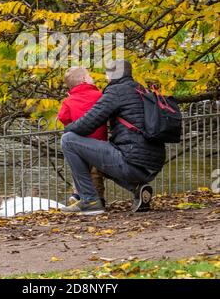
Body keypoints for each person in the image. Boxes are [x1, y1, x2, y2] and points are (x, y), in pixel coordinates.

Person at [61, 60, 166, 215]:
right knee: (103, 154)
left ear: (110, 75)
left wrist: (67, 130)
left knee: (68, 140)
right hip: (152, 163)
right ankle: (137, 188)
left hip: (132, 162)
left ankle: (90, 200)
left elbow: (88, 123)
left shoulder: (115, 92)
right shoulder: (141, 89)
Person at [58, 67, 107, 206]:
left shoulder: (69, 101)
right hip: (98, 142)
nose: (92, 78)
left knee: (79, 170)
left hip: (78, 143)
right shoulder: (99, 95)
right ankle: (99, 199)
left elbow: (63, 117)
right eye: (90, 76)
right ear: (85, 79)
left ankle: (78, 194)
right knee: (96, 173)